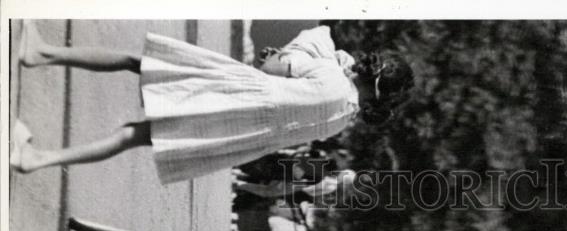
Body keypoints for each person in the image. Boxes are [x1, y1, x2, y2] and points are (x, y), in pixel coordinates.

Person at [11, 23, 412, 183]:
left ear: (369, 70)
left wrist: (329, 58)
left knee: (142, 63)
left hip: (235, 93)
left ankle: (42, 53)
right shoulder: (343, 117)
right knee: (134, 135)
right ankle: (37, 157)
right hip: (237, 128)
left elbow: (273, 63)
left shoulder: (330, 76)